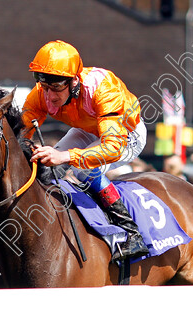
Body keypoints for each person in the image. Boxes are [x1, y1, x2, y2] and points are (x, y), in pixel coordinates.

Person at [22, 40, 149, 262]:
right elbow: (21, 132)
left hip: (125, 135)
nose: (50, 95)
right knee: (45, 167)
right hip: (87, 129)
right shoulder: (41, 93)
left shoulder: (103, 88)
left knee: (83, 171)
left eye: (57, 87)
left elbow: (111, 147)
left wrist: (64, 156)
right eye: (45, 86)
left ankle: (131, 232)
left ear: (75, 81)